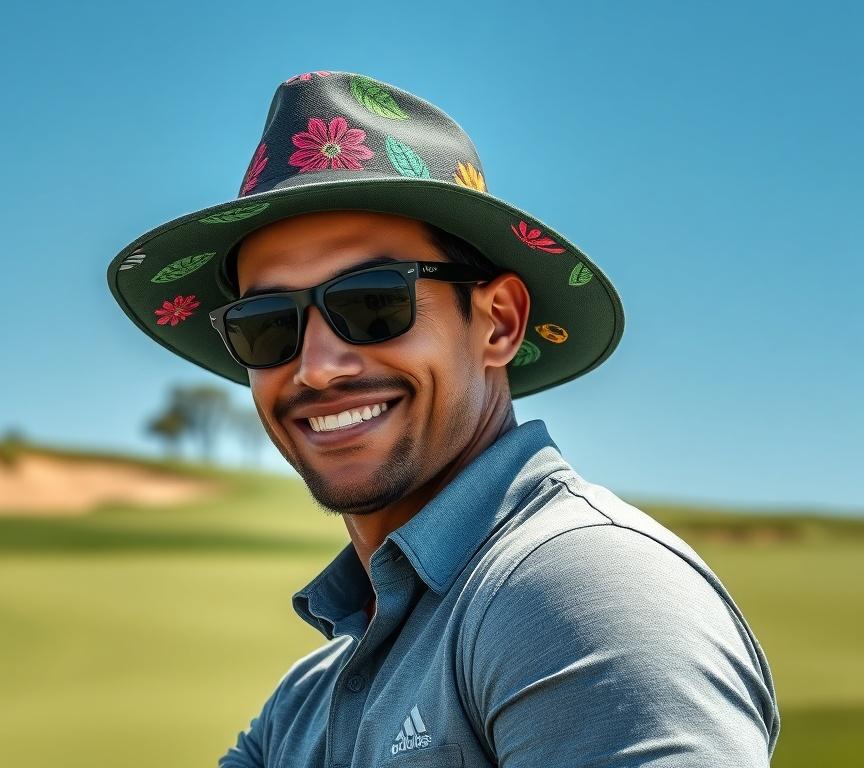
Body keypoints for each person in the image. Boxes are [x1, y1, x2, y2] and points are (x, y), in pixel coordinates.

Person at [107, 71, 780, 767]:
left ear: (498, 323)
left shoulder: (574, 592)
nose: (316, 367)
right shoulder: (306, 700)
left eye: (373, 302)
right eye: (267, 325)